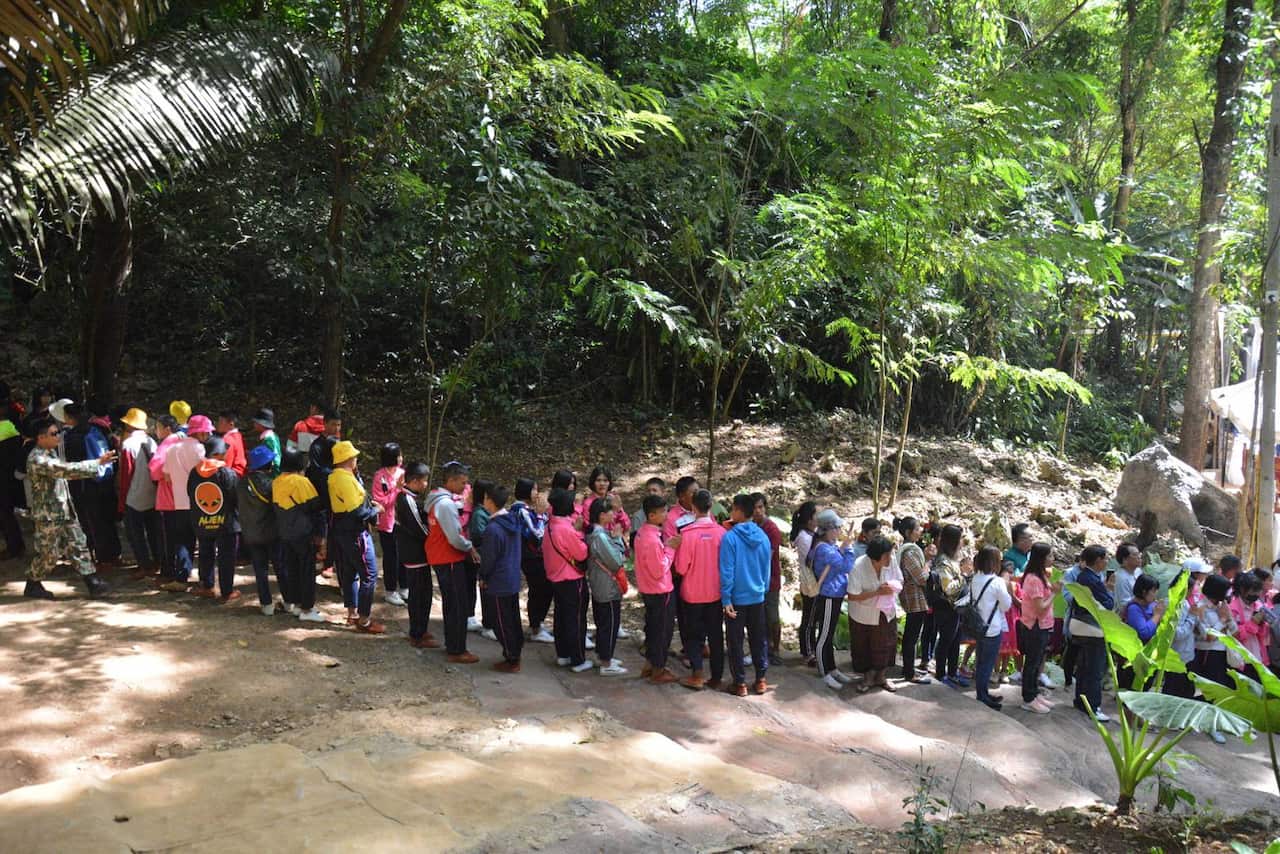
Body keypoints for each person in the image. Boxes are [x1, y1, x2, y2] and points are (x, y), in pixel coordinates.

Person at [22, 416, 115, 599]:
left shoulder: (50, 452)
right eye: (54, 433)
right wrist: (96, 463)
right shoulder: (38, 459)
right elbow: (66, 470)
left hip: (64, 509)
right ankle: (33, 583)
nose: (58, 436)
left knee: (78, 545)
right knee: (48, 553)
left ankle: (92, 582)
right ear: (41, 438)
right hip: (49, 515)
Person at [328, 440, 383, 634]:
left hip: (342, 531)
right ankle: (365, 619)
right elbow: (357, 512)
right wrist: (377, 509)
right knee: (369, 574)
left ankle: (352, 612)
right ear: (348, 459)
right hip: (355, 532)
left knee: (351, 571)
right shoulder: (344, 479)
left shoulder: (335, 476)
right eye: (354, 457)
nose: (356, 459)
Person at [720, 494, 773, 696]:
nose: (730, 512)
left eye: (732, 509)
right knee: (758, 638)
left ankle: (739, 683)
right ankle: (761, 679)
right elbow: (767, 568)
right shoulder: (763, 537)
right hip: (757, 596)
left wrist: (726, 599)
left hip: (736, 599)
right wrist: (763, 589)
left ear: (739, 512)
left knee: (735, 640)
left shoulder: (730, 538)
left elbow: (727, 571)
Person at [427, 461, 479, 662]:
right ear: (451, 480)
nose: (465, 487)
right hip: (448, 557)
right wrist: (469, 547)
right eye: (462, 483)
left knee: (452, 603)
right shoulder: (446, 504)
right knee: (457, 604)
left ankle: (453, 644)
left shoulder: (437, 499)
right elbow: (455, 536)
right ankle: (457, 649)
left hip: (442, 556)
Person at [675, 488, 726, 690]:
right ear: (710, 505)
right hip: (715, 593)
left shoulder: (687, 534)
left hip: (692, 594)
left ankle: (697, 674)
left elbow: (680, 567)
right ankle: (717, 676)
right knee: (715, 635)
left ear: (693, 507)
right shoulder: (721, 533)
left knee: (694, 635)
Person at [63, 403, 121, 568]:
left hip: (85, 486)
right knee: (107, 519)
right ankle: (113, 554)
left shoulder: (73, 436)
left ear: (68, 417)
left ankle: (100, 556)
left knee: (91, 521)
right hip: (105, 482)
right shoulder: (98, 428)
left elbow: (71, 464)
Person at [273, 449, 325, 623]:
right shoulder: (302, 482)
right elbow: (316, 508)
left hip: (285, 534)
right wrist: (320, 535)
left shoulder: (276, 482)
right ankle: (307, 608)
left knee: (292, 570)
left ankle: (296, 604)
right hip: (303, 534)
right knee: (307, 571)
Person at [847, 535, 902, 694]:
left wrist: (892, 587)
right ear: (876, 557)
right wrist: (877, 592)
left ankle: (881, 676)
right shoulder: (859, 566)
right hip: (863, 613)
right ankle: (868, 678)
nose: (890, 558)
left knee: (886, 643)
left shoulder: (891, 562)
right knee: (863, 646)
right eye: (886, 555)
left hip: (885, 611)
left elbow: (900, 579)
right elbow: (852, 595)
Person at [478, 484, 524, 672]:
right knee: (512, 618)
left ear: (489, 501)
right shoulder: (513, 521)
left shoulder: (493, 529)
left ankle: (511, 658)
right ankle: (515, 652)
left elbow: (489, 558)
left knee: (501, 621)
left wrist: (483, 576)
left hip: (499, 581)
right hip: (512, 577)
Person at [544, 486, 591, 672]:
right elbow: (581, 553)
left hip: (556, 579)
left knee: (561, 617)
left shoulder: (551, 525)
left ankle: (563, 654)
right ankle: (578, 659)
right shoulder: (565, 529)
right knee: (576, 619)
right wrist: (579, 532)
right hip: (572, 579)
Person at [188, 437, 240, 602]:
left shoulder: (194, 472)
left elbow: (190, 493)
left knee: (205, 553)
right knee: (226, 556)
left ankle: (207, 586)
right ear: (218, 454)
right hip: (226, 522)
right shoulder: (227, 473)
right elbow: (235, 497)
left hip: (202, 520)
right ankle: (227, 591)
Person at [162, 414, 211, 586]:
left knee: (182, 540)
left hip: (180, 502)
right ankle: (206, 581)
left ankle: (181, 578)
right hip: (200, 502)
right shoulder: (200, 449)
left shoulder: (171, 449)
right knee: (204, 541)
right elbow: (206, 473)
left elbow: (166, 477)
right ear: (201, 433)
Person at [635, 493, 679, 684]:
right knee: (662, 631)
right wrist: (671, 549)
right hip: (660, 590)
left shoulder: (642, 533)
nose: (666, 514)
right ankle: (658, 670)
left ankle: (651, 664)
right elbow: (658, 569)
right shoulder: (652, 540)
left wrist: (666, 546)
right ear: (652, 515)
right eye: (663, 512)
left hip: (648, 589)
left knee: (653, 628)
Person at [1069, 544, 1115, 722]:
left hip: (1082, 627)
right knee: (1095, 669)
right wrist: (1109, 590)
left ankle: (1081, 701)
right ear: (1098, 561)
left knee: (1084, 666)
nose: (1106, 562)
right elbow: (1108, 604)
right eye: (1105, 558)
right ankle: (1093, 706)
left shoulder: (1084, 576)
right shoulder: (1092, 580)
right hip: (1093, 629)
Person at [238, 444, 286, 615]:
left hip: (251, 534)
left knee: (260, 570)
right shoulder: (271, 485)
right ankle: (288, 601)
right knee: (280, 567)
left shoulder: (241, 483)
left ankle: (266, 605)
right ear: (268, 465)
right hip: (272, 534)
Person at [811, 508, 856, 690]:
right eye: (837, 527)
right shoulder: (823, 549)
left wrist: (843, 547)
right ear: (828, 529)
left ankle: (832, 668)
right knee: (824, 635)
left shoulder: (830, 547)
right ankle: (824, 673)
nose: (839, 531)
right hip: (828, 595)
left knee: (829, 635)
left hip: (835, 595)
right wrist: (849, 548)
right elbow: (846, 566)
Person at [965, 546, 1013, 710]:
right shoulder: (997, 582)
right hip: (992, 628)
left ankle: (983, 692)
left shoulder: (975, 579)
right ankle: (982, 696)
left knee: (980, 661)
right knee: (987, 663)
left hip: (978, 626)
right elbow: (1006, 606)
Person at [1192, 574, 1238, 744]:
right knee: (1209, 690)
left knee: (1221, 689)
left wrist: (1227, 617)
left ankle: (1216, 722)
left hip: (1221, 653)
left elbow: (1234, 630)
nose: (1228, 594)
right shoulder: (1200, 607)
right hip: (1207, 654)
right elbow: (1208, 636)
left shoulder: (1221, 606)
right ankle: (1208, 725)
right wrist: (1222, 620)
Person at [396, 462, 438, 649]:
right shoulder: (406, 500)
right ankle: (417, 632)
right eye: (423, 481)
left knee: (425, 593)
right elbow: (418, 528)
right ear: (413, 481)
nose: (425, 484)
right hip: (415, 554)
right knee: (419, 594)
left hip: (418, 554)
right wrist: (435, 540)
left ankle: (421, 628)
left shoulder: (410, 498)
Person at [117, 408, 161, 577]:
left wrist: (122, 499)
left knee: (135, 534)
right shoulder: (152, 441)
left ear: (129, 424)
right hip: (152, 493)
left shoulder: (128, 445)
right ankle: (158, 561)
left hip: (134, 495)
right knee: (153, 531)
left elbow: (126, 475)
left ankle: (144, 565)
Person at [586, 496, 628, 676]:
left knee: (604, 622)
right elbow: (617, 561)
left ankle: (603, 655)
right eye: (611, 511)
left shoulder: (595, 534)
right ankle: (606, 662)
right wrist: (618, 540)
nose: (614, 514)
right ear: (603, 515)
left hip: (600, 585)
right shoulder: (600, 536)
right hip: (607, 588)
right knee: (609, 624)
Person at [510, 477, 553, 643]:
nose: (537, 493)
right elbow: (537, 535)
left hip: (537, 556)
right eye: (534, 489)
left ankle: (538, 623)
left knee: (545, 588)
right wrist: (541, 515)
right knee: (539, 589)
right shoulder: (520, 510)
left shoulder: (528, 510)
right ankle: (536, 626)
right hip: (530, 558)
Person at [1017, 543, 1057, 713]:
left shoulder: (1041, 576)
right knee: (1032, 663)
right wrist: (1055, 593)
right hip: (1034, 626)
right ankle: (1028, 698)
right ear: (1041, 558)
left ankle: (1034, 694)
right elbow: (1040, 607)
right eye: (1049, 556)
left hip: (1042, 626)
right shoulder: (1033, 579)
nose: (1052, 559)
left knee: (1037, 661)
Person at [894, 516, 932, 684]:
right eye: (917, 529)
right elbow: (921, 578)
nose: (920, 531)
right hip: (914, 598)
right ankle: (909, 673)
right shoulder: (909, 553)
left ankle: (908, 667)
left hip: (916, 598)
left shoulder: (912, 550)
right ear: (909, 532)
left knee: (912, 635)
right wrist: (927, 566)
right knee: (911, 636)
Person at [749, 493, 785, 666]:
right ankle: (760, 647)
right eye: (754, 507)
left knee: (772, 616)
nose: (757, 511)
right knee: (757, 616)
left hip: (770, 579)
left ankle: (775, 649)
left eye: (760, 507)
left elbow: (767, 557)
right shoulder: (748, 525)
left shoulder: (771, 529)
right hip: (753, 579)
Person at [932, 524, 969, 688]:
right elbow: (948, 588)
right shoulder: (943, 562)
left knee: (955, 641)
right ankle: (941, 674)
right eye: (960, 538)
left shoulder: (952, 559)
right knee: (946, 640)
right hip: (946, 607)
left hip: (956, 608)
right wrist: (964, 576)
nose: (963, 542)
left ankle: (953, 673)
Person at [371, 443, 406, 606]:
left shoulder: (403, 473)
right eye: (398, 455)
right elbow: (380, 502)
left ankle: (404, 587)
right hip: (387, 523)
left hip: (402, 522)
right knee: (391, 556)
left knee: (404, 554)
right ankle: (390, 590)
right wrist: (397, 490)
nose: (401, 458)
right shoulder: (380, 476)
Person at [791, 501, 820, 666]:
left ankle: (812, 647)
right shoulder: (803, 537)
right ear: (809, 520)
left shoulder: (812, 535)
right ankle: (807, 651)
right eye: (816, 515)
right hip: (810, 582)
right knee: (809, 618)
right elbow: (812, 559)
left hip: (814, 581)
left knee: (813, 617)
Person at [468, 480, 497, 639]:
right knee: (486, 590)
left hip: (490, 557)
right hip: (482, 557)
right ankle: (488, 625)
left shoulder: (488, 511)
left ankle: (492, 623)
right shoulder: (479, 514)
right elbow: (478, 536)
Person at [1229, 571, 1270, 678]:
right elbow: (1234, 635)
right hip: (1241, 658)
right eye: (1254, 591)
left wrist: (1262, 624)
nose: (1256, 595)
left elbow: (1262, 634)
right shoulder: (1232, 609)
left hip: (1258, 656)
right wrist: (1253, 623)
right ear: (1243, 590)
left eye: (1258, 591)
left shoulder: (1258, 605)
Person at [585, 466, 630, 543]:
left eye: (605, 481)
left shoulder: (613, 499)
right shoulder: (588, 503)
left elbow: (626, 525)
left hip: (617, 542)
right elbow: (588, 527)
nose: (602, 484)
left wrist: (619, 510)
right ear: (593, 482)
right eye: (598, 480)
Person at [1124, 575, 1164, 643]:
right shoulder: (1134, 609)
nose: (1155, 595)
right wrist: (1157, 616)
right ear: (1144, 592)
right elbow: (1144, 633)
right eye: (1153, 591)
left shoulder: (1152, 604)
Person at [629, 477, 666, 549]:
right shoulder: (638, 516)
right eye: (648, 491)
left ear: (663, 493)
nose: (651, 493)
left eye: (654, 490)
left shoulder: (668, 512)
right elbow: (635, 542)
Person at [1113, 542, 1143, 614]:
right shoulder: (1120, 578)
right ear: (1125, 559)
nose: (1139, 557)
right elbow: (1123, 605)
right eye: (1135, 555)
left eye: (1139, 554)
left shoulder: (1138, 571)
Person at [217, 410, 247, 477]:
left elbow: (226, 463)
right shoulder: (238, 435)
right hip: (239, 474)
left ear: (231, 424)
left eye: (221, 421)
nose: (218, 424)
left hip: (231, 476)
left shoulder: (227, 439)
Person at [251, 409, 281, 475]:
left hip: (273, 473)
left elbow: (273, 459)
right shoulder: (273, 435)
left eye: (255, 422)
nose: (254, 424)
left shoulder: (268, 439)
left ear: (261, 424)